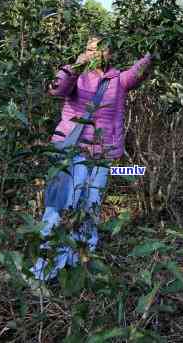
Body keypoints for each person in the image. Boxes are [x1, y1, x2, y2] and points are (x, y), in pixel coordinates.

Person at [29, 35, 153, 283]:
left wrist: (152, 54)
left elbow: (137, 73)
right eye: (90, 49)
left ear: (110, 53)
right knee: (61, 205)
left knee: (90, 207)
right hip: (70, 151)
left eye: (102, 50)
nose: (96, 54)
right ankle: (44, 269)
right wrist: (74, 66)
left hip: (100, 155)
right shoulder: (77, 75)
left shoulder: (118, 80)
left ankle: (79, 262)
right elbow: (56, 89)